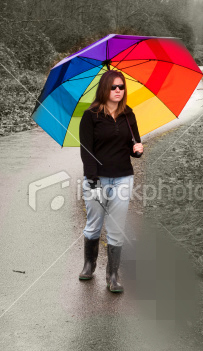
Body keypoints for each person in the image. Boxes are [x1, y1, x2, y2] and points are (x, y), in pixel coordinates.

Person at [79, 70, 143, 293]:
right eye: (114, 87)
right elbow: (86, 151)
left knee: (116, 226)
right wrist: (93, 180)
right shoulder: (91, 116)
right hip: (97, 179)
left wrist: (138, 150)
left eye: (121, 87)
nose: (118, 90)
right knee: (94, 223)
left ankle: (113, 275)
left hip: (123, 177)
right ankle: (89, 264)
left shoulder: (129, 115)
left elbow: (134, 145)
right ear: (104, 89)